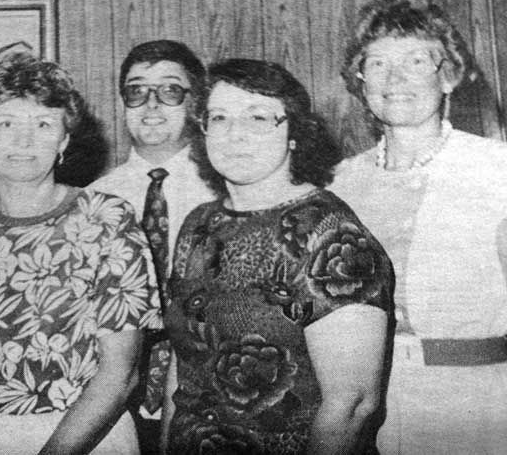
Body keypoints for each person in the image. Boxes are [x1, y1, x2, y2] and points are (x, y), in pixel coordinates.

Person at [0, 53, 162, 454]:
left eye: (42, 125)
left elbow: (120, 373)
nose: (23, 142)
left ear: (64, 140)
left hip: (85, 437)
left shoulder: (108, 218)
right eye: (6, 124)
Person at [163, 59, 394, 454]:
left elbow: (353, 406)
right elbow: (182, 368)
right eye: (219, 118)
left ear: (294, 134)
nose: (235, 134)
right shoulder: (200, 224)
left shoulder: (332, 235)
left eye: (257, 118)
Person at [330, 0, 507, 455]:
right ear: (360, 79)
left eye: (416, 60)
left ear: (448, 75)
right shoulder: (340, 183)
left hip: (475, 403)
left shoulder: (496, 169)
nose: (395, 78)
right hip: (364, 406)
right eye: (378, 63)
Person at [90, 40, 214, 454]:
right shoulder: (93, 199)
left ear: (195, 102)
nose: (151, 104)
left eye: (170, 90)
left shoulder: (223, 192)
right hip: (109, 402)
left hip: (202, 394)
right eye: (136, 90)